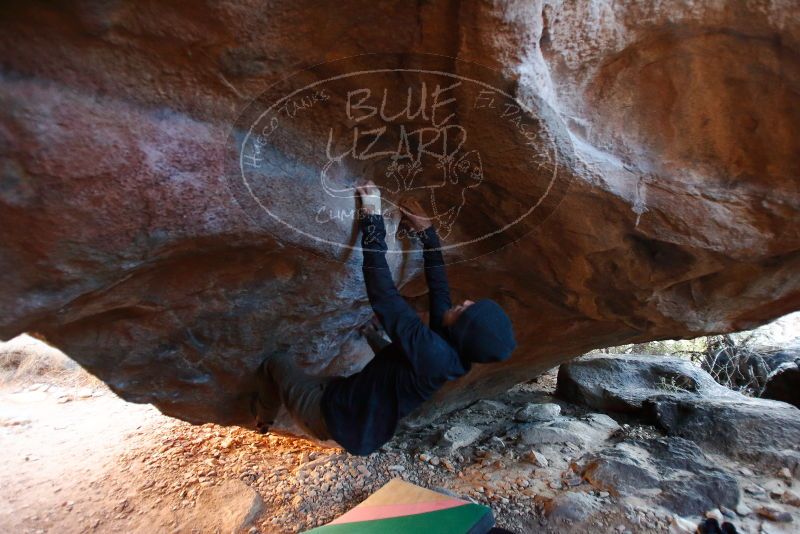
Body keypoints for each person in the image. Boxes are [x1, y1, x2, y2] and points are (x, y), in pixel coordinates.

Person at [251, 180, 517, 455]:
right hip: (354, 407)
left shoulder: (434, 353)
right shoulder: (451, 348)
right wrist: (428, 235)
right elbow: (440, 290)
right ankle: (311, 393)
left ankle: (263, 417)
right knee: (349, 370)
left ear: (463, 331)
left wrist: (372, 217)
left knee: (275, 363)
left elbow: (383, 295)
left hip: (328, 418)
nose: (466, 302)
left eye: (467, 310)